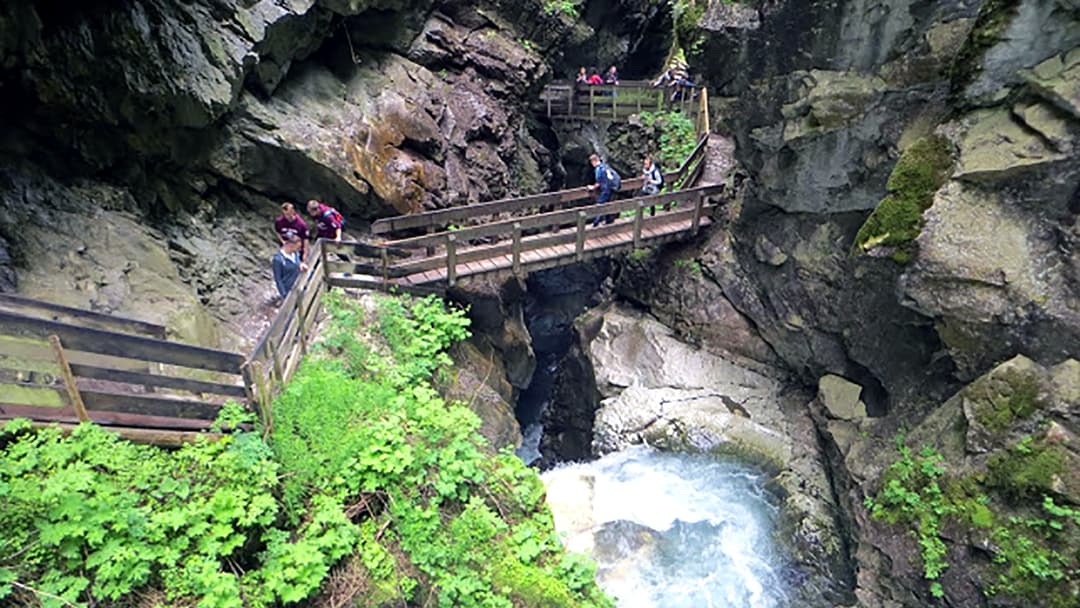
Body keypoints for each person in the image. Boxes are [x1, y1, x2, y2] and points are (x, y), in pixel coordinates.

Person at [586, 153, 621, 227]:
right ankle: (609, 220)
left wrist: (592, 187)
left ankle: (596, 223)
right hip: (612, 188)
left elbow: (599, 181)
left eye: (592, 163)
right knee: (608, 204)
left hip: (606, 189)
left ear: (594, 161)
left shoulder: (598, 169)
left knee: (600, 205)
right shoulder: (605, 166)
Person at [272, 235, 308, 301]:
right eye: (298, 247)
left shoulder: (296, 254)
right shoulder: (278, 259)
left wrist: (301, 264)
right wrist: (284, 294)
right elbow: (278, 279)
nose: (299, 249)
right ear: (291, 245)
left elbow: (297, 264)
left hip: (299, 286)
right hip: (289, 291)